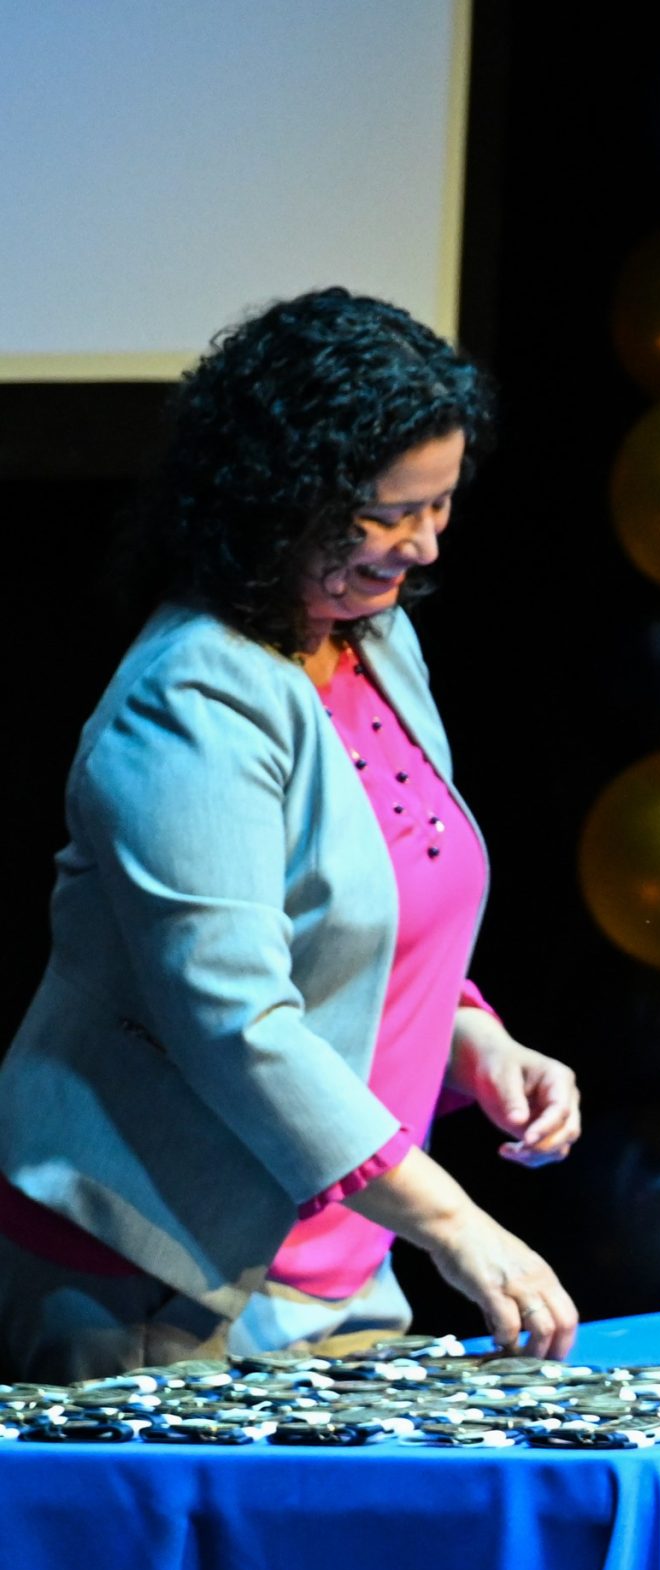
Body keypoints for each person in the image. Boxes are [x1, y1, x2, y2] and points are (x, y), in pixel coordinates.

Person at [0, 290, 580, 1381]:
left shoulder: (375, 642)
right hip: (161, 1264)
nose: (420, 545)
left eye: (441, 505)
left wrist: (474, 1038)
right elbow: (234, 1020)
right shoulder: (190, 701)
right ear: (275, 501)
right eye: (387, 513)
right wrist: (454, 1222)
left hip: (343, 1247)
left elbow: (370, 910)